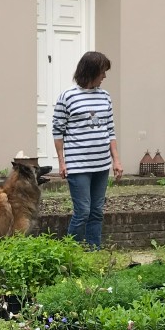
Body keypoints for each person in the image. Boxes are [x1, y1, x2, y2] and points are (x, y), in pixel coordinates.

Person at [52, 51, 123, 248]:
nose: (105, 76)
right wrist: (61, 161)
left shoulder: (105, 96)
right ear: (91, 71)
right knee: (82, 211)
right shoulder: (68, 97)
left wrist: (116, 160)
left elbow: (110, 129)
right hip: (78, 165)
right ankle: (71, 252)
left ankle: (94, 251)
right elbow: (58, 131)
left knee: (97, 211)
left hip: (101, 165)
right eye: (102, 72)